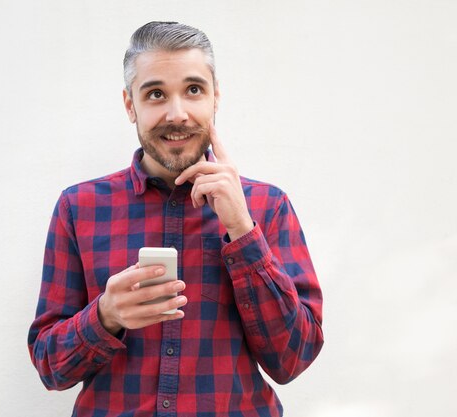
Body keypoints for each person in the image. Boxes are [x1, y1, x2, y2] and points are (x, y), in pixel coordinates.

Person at [28, 21, 324, 416]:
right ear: (130, 104)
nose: (177, 113)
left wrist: (242, 230)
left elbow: (293, 359)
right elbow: (51, 368)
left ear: (215, 97)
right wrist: (106, 315)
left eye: (194, 90)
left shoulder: (267, 206)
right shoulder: (79, 207)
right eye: (155, 94)